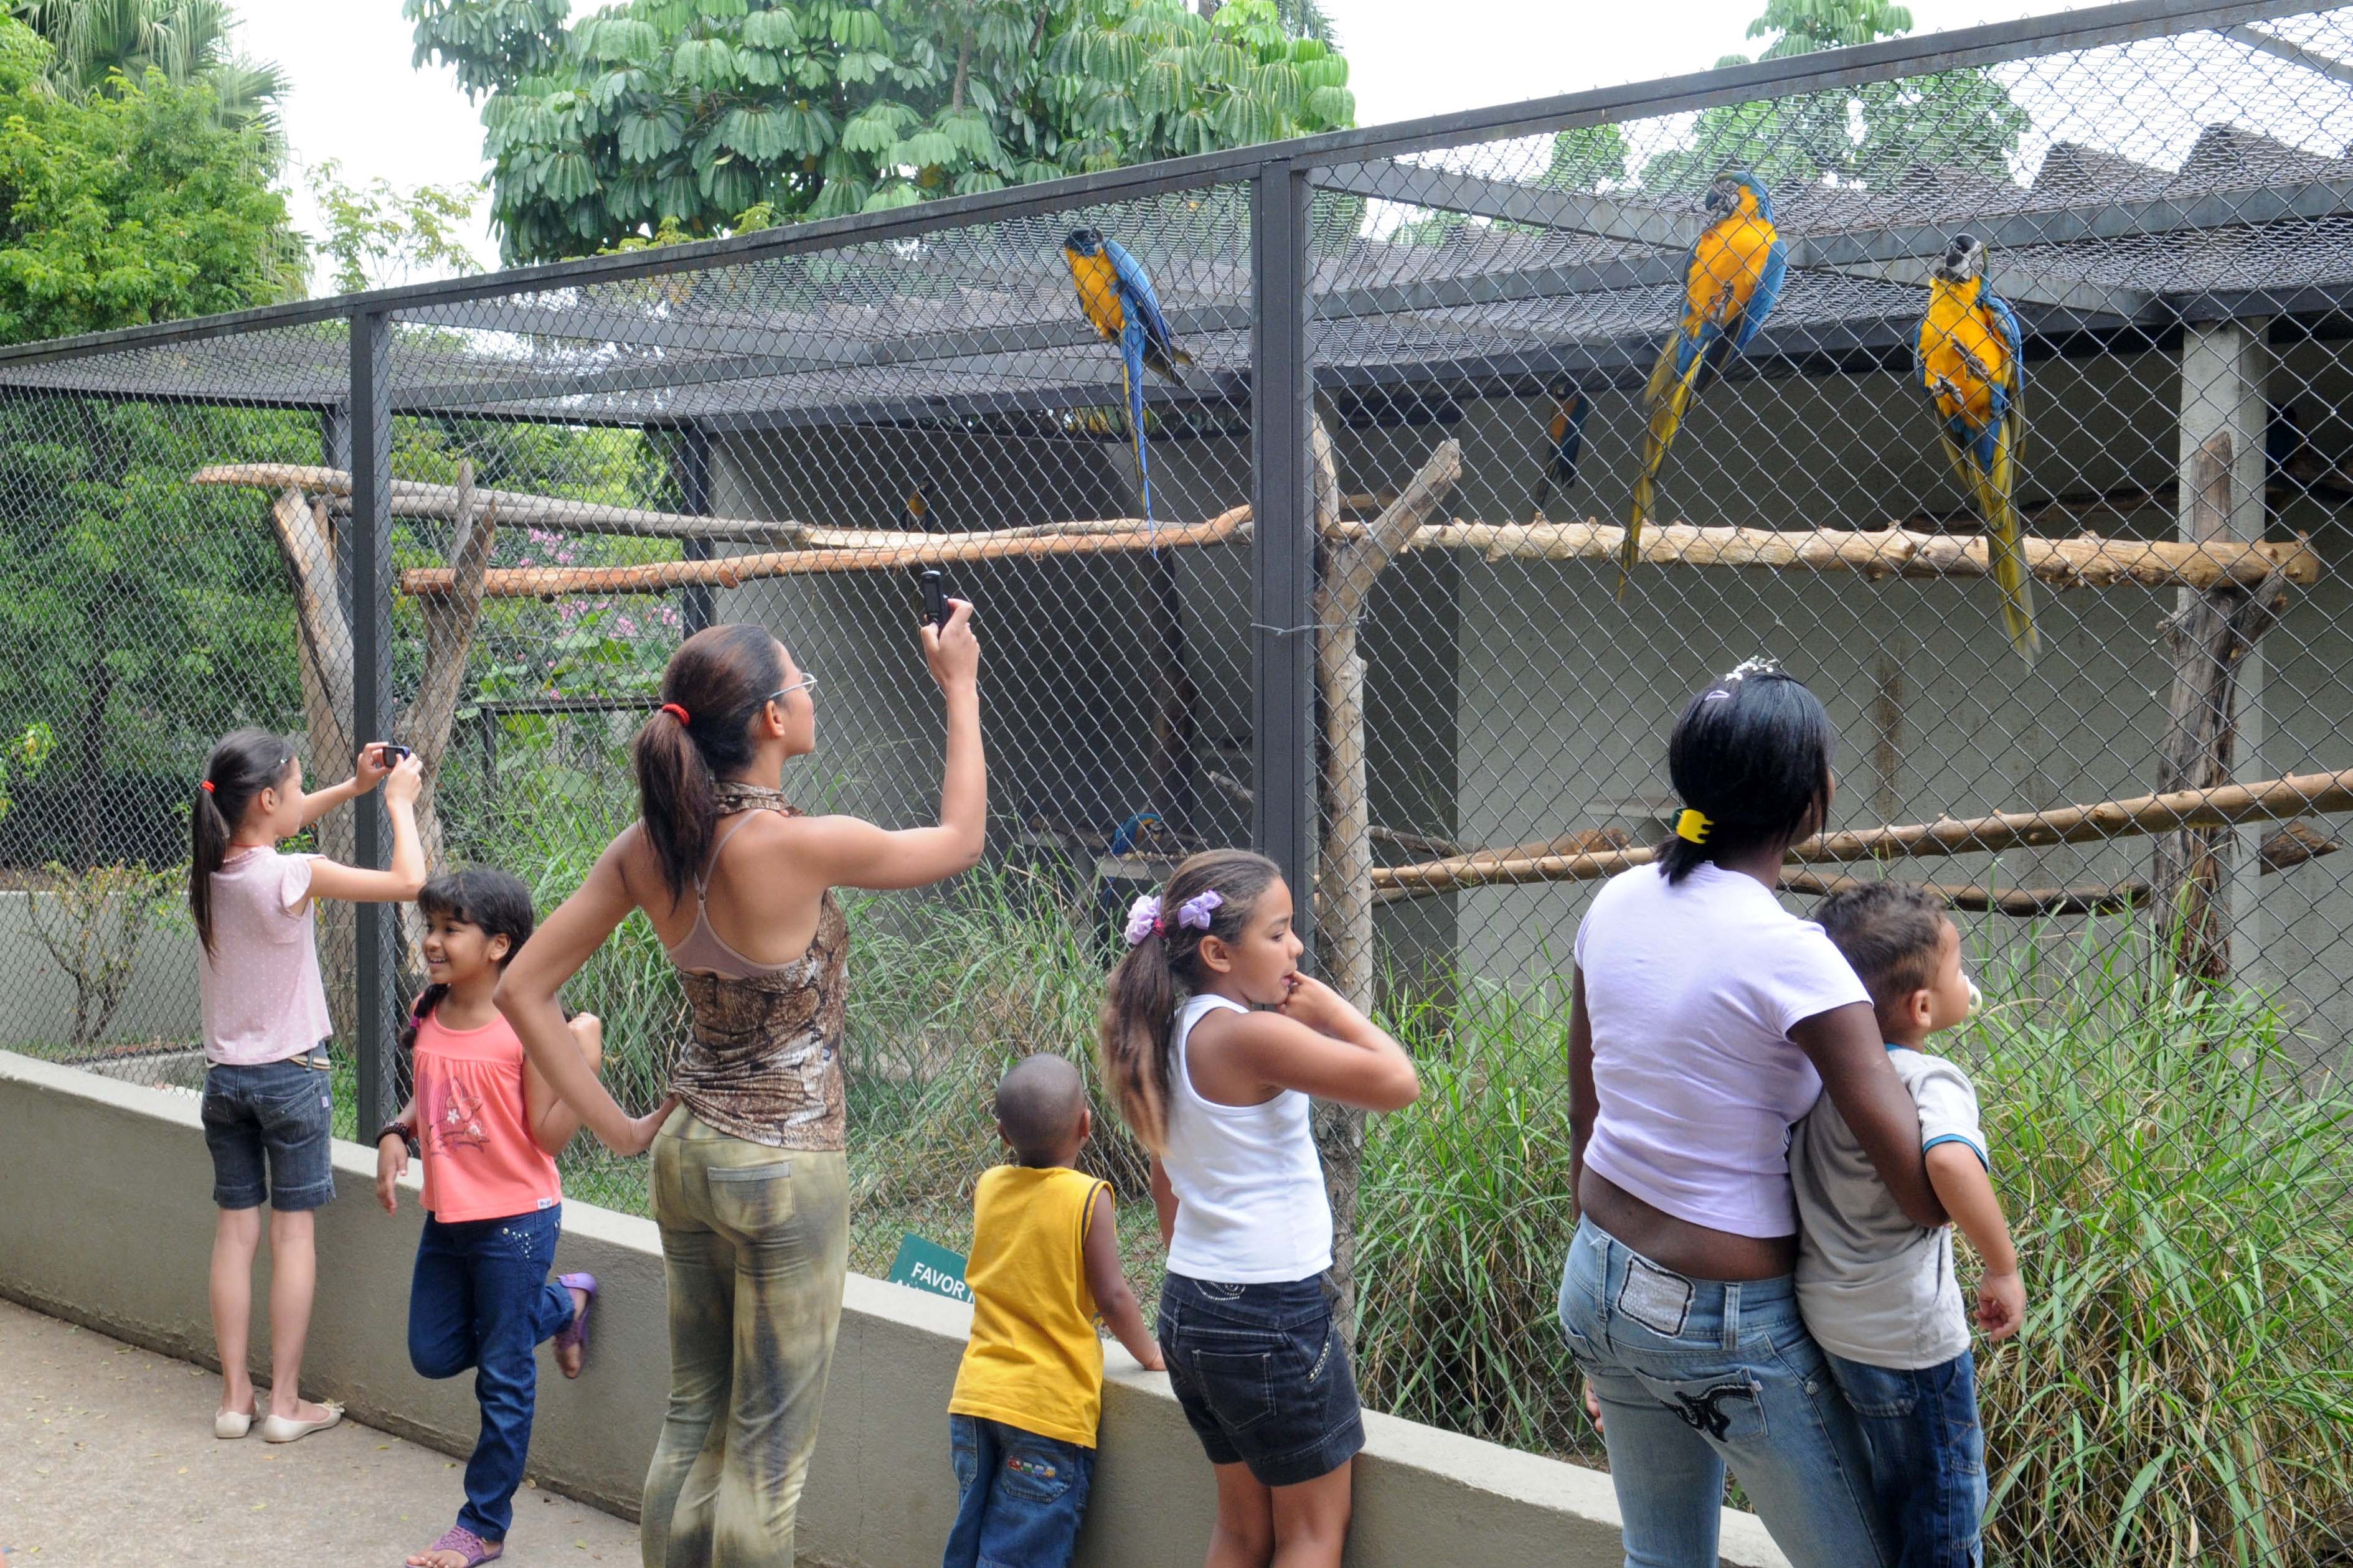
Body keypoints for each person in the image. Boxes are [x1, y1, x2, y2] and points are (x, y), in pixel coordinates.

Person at [494, 610, 984, 1568]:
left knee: (692, 1421)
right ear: (767, 718)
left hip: (685, 1154)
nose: (810, 697)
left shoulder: (650, 845)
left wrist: (624, 1131)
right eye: (803, 684)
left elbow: (521, 986)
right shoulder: (792, 845)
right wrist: (959, 685)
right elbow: (961, 839)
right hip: (785, 1167)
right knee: (765, 1460)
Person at [1558, 659, 1947, 1568]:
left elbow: (1586, 1107)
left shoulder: (1616, 897)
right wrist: (1931, 1084)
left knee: (1660, 1557)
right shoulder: (1791, 955)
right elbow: (1917, 1191)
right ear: (1812, 798)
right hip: (1724, 1325)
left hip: (1598, 1276)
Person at [1098, 848, 1419, 1568]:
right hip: (1270, 1313)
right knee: (1309, 1534)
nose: (1296, 948)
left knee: (1241, 1533)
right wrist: (1329, 1006)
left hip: (1192, 1307)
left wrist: (1205, 1268)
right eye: (1277, 933)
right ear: (1216, 950)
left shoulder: (1172, 1032)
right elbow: (1398, 1081)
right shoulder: (1250, 1034)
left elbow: (1164, 1177)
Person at [190, 729, 425, 1444]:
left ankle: (236, 1400)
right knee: (293, 1238)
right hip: (290, 1078)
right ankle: (285, 1403)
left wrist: (348, 787)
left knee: (237, 1235)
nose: (301, 798)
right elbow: (408, 882)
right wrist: (397, 803)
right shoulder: (295, 874)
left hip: (224, 1080)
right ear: (266, 797)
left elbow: (275, 825)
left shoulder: (208, 872)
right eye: (295, 786)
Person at [374, 868, 609, 1568]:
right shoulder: (428, 1008)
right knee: (434, 1349)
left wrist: (582, 1060)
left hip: (515, 1221)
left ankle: (482, 1525)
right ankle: (564, 1302)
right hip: (448, 1217)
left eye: (451, 929)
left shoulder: (525, 1024)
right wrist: (397, 1130)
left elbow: (549, 1133)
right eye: (430, 928)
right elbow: (433, 1093)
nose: (432, 941)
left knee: (503, 1376)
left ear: (501, 943)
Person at [1793, 883, 2025, 1568]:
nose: (1965, 981)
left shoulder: (1816, 1076)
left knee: (1890, 1494)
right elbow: (1951, 1163)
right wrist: (2002, 1265)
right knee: (1946, 1509)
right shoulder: (1931, 1078)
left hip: (1832, 1323)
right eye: (1956, 970)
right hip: (1911, 1341)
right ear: (1923, 1006)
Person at [941, 1054, 1163, 1568]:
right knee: (1017, 1554)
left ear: (1002, 1134)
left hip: (975, 1400)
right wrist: (1150, 1354)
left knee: (969, 1542)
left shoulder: (990, 1186)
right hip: (1047, 1412)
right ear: (1086, 1124)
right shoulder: (1089, 1198)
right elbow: (1112, 1298)